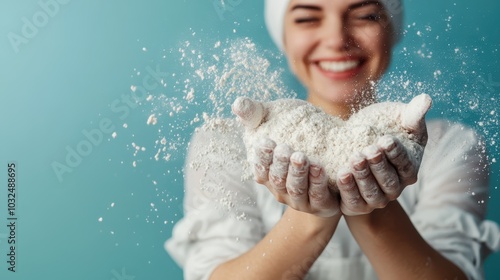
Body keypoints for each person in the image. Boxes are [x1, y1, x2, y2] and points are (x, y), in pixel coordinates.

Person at [166, 0, 500, 279]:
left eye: (365, 15)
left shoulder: (451, 145)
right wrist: (311, 217)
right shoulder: (226, 143)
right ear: (283, 34)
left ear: (391, 27)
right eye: (308, 18)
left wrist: (372, 208)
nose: (337, 39)